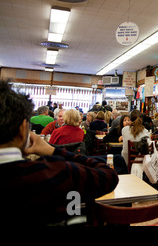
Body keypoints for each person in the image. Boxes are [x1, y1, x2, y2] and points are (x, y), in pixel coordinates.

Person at [0, 80, 118, 225]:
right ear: (22, 129)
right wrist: (53, 151)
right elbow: (109, 176)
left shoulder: (57, 132)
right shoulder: (56, 171)